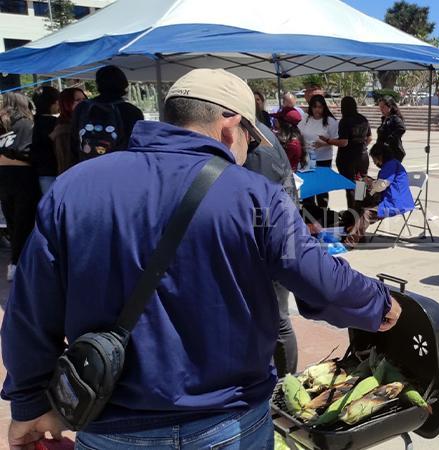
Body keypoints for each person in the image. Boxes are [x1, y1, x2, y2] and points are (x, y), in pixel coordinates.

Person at [1, 68, 401, 450]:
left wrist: (29, 403)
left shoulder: (75, 186)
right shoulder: (255, 196)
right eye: (251, 139)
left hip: (109, 424)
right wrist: (380, 303)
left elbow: (30, 307)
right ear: (231, 125)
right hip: (228, 422)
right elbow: (323, 283)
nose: (247, 153)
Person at [244, 118, 300, 376]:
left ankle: (287, 381)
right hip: (274, 237)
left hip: (275, 240)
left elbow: (260, 203)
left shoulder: (257, 147)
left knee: (278, 318)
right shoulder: (254, 135)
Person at [340, 142, 414, 248]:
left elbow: (381, 185)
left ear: (380, 156)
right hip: (391, 198)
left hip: (395, 202)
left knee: (366, 213)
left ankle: (350, 241)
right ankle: (355, 228)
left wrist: (370, 187)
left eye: (374, 159)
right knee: (360, 189)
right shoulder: (392, 164)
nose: (374, 162)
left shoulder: (390, 165)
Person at [69, 65, 144, 165]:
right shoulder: (132, 111)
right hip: (119, 169)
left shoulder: (82, 107)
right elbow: (137, 146)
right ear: (123, 84)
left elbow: (74, 142)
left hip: (86, 168)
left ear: (98, 84)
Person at [0, 93, 39, 282]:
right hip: (23, 176)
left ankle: (15, 263)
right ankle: (18, 264)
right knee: (24, 220)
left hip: (3, 177)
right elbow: (30, 152)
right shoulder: (28, 124)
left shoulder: (3, 125)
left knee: (12, 221)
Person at [298, 94, 339, 209]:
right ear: (311, 107)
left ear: (324, 107)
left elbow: (337, 140)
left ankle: (323, 213)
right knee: (308, 188)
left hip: (323, 159)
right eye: (315, 107)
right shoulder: (305, 118)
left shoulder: (331, 121)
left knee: (321, 189)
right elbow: (298, 133)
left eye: (320, 107)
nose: (317, 110)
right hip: (307, 157)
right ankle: (308, 214)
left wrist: (324, 143)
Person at [336, 96, 372, 209]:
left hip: (347, 157)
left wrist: (328, 141)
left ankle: (352, 213)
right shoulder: (363, 119)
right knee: (361, 184)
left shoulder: (344, 121)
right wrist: (362, 146)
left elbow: (344, 142)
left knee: (350, 186)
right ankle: (359, 211)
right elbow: (370, 138)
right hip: (362, 155)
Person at [29, 86, 60, 194]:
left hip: (34, 171)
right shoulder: (56, 123)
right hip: (52, 170)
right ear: (54, 103)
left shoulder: (30, 122)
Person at [50, 87, 87, 175]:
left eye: (84, 99)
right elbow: (65, 163)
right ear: (66, 104)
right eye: (77, 100)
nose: (83, 103)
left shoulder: (83, 123)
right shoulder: (64, 130)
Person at [276, 106, 307, 171]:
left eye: (278, 119)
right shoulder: (292, 139)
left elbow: (281, 162)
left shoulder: (292, 143)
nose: (275, 121)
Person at [376, 96, 406, 162]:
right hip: (385, 153)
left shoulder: (394, 118)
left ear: (390, 106)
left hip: (392, 153)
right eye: (380, 107)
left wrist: (388, 141)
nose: (381, 109)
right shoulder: (385, 119)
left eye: (383, 107)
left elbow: (402, 128)